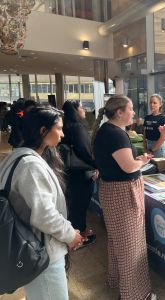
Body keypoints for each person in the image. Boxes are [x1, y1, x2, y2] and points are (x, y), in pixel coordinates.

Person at [0, 106, 83, 299]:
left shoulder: (16, 157)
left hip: (30, 246)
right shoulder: (30, 166)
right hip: (42, 251)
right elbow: (45, 215)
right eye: (59, 128)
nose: (62, 134)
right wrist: (71, 235)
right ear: (43, 131)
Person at [93, 95, 153, 300]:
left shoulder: (105, 131)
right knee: (131, 246)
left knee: (118, 242)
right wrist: (142, 162)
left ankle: (117, 282)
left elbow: (119, 162)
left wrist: (135, 161)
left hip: (111, 191)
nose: (134, 112)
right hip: (123, 193)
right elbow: (128, 167)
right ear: (119, 112)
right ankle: (134, 294)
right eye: (131, 108)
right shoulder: (117, 134)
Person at [61, 100, 97, 247]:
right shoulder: (78, 127)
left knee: (74, 204)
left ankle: (75, 232)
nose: (84, 110)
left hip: (69, 171)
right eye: (82, 107)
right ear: (75, 110)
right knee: (80, 205)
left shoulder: (65, 126)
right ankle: (80, 236)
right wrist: (97, 165)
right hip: (81, 172)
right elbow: (85, 152)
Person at [143, 94, 165, 158]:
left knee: (160, 167)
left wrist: (151, 150)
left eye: (155, 103)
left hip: (159, 147)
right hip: (148, 146)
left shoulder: (163, 118)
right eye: (150, 102)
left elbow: (163, 138)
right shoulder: (147, 117)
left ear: (160, 104)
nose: (152, 105)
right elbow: (144, 134)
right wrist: (145, 148)